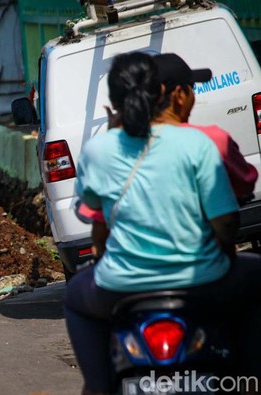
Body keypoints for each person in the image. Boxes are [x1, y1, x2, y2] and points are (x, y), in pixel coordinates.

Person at [65, 52, 261, 394]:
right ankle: (250, 377)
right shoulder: (198, 142)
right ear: (165, 92)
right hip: (202, 281)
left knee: (74, 298)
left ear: (114, 101)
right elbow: (227, 226)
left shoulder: (98, 149)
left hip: (119, 287)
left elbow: (96, 220)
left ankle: (98, 387)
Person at [78, 52, 259, 257]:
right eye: (194, 88)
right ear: (179, 95)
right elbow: (239, 196)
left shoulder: (100, 149)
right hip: (201, 271)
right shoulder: (207, 140)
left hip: (125, 278)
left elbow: (96, 220)